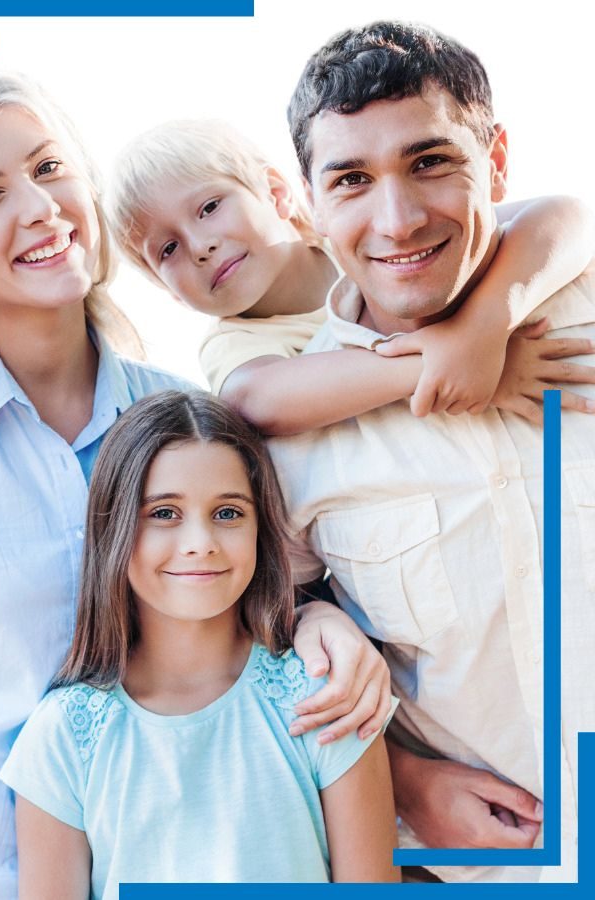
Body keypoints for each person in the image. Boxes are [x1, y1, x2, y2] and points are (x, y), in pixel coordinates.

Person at [0, 72, 389, 899]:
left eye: (47, 168)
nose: (38, 207)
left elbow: (257, 629)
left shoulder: (184, 419)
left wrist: (324, 617)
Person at [275, 22, 593, 882]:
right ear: (308, 206)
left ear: (494, 160)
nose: (398, 218)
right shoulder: (290, 446)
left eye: (429, 162)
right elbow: (260, 652)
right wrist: (401, 781)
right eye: (350, 180)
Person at [0, 390, 401, 897]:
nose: (200, 542)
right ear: (115, 527)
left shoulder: (323, 698)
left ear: (261, 529)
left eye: (228, 513)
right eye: (164, 513)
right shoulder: (63, 736)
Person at [109, 120, 595, 437]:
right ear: (163, 289)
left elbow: (565, 218)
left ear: (277, 194)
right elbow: (254, 400)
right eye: (167, 249)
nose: (201, 247)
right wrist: (445, 363)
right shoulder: (236, 341)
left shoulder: (369, 242)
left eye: (210, 208)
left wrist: (483, 329)